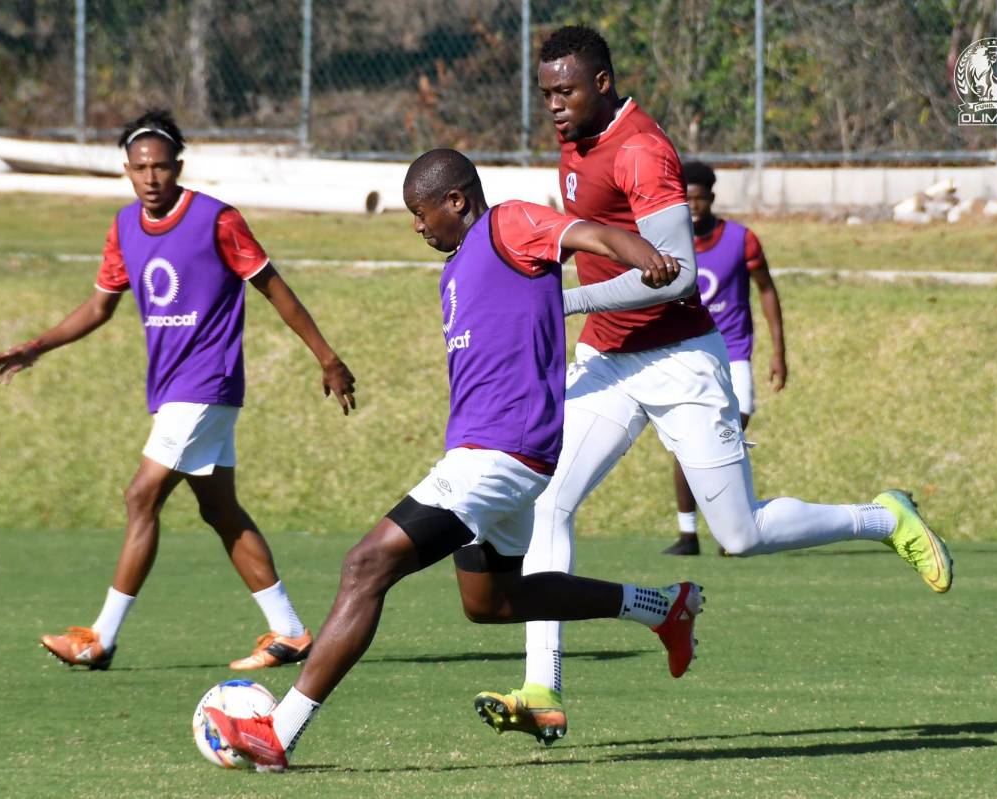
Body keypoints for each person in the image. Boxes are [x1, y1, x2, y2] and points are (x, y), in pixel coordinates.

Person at [473, 25, 953, 745]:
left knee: (741, 532)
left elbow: (679, 274)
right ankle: (543, 687)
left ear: (602, 83)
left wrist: (563, 302)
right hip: (606, 360)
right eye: (545, 93)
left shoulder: (642, 151)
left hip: (680, 361)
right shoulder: (576, 139)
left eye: (565, 91)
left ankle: (884, 517)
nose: (553, 106)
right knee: (547, 502)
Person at [201, 148, 706, 772]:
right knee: (489, 604)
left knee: (364, 566)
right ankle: (662, 608)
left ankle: (278, 732)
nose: (417, 227)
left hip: (498, 454)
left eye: (421, 213)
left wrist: (647, 258)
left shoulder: (510, 225)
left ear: (457, 201)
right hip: (496, 457)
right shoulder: (455, 271)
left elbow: (592, 234)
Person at [0, 109, 356, 672]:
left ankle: (99, 639)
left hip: (207, 382)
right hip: (172, 388)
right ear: (127, 171)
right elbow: (97, 307)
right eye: (140, 169)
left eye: (161, 167)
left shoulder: (216, 220)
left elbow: (275, 289)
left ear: (178, 167)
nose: (151, 178)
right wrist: (37, 346)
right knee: (219, 509)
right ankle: (291, 632)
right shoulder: (123, 227)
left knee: (141, 496)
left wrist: (327, 357)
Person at [664, 160, 787, 556]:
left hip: (733, 354)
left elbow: (766, 290)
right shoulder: (668, 241)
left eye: (700, 198)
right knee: (688, 441)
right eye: (687, 198)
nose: (693, 205)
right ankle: (688, 534)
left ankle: (733, 526)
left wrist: (779, 352)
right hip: (688, 353)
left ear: (711, 198)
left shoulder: (741, 240)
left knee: (730, 431)